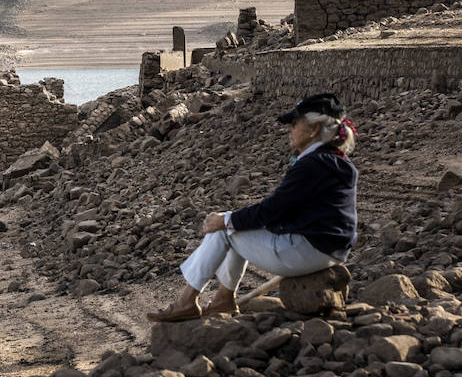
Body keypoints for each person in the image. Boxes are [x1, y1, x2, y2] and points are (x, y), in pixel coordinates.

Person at [148, 93, 358, 322]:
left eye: (294, 123)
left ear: (314, 129)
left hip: (309, 250)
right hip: (329, 249)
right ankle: (222, 300)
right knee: (235, 224)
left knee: (225, 229)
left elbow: (272, 210)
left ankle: (187, 301)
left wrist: (225, 219)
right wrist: (234, 219)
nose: (289, 129)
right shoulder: (337, 162)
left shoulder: (312, 164)